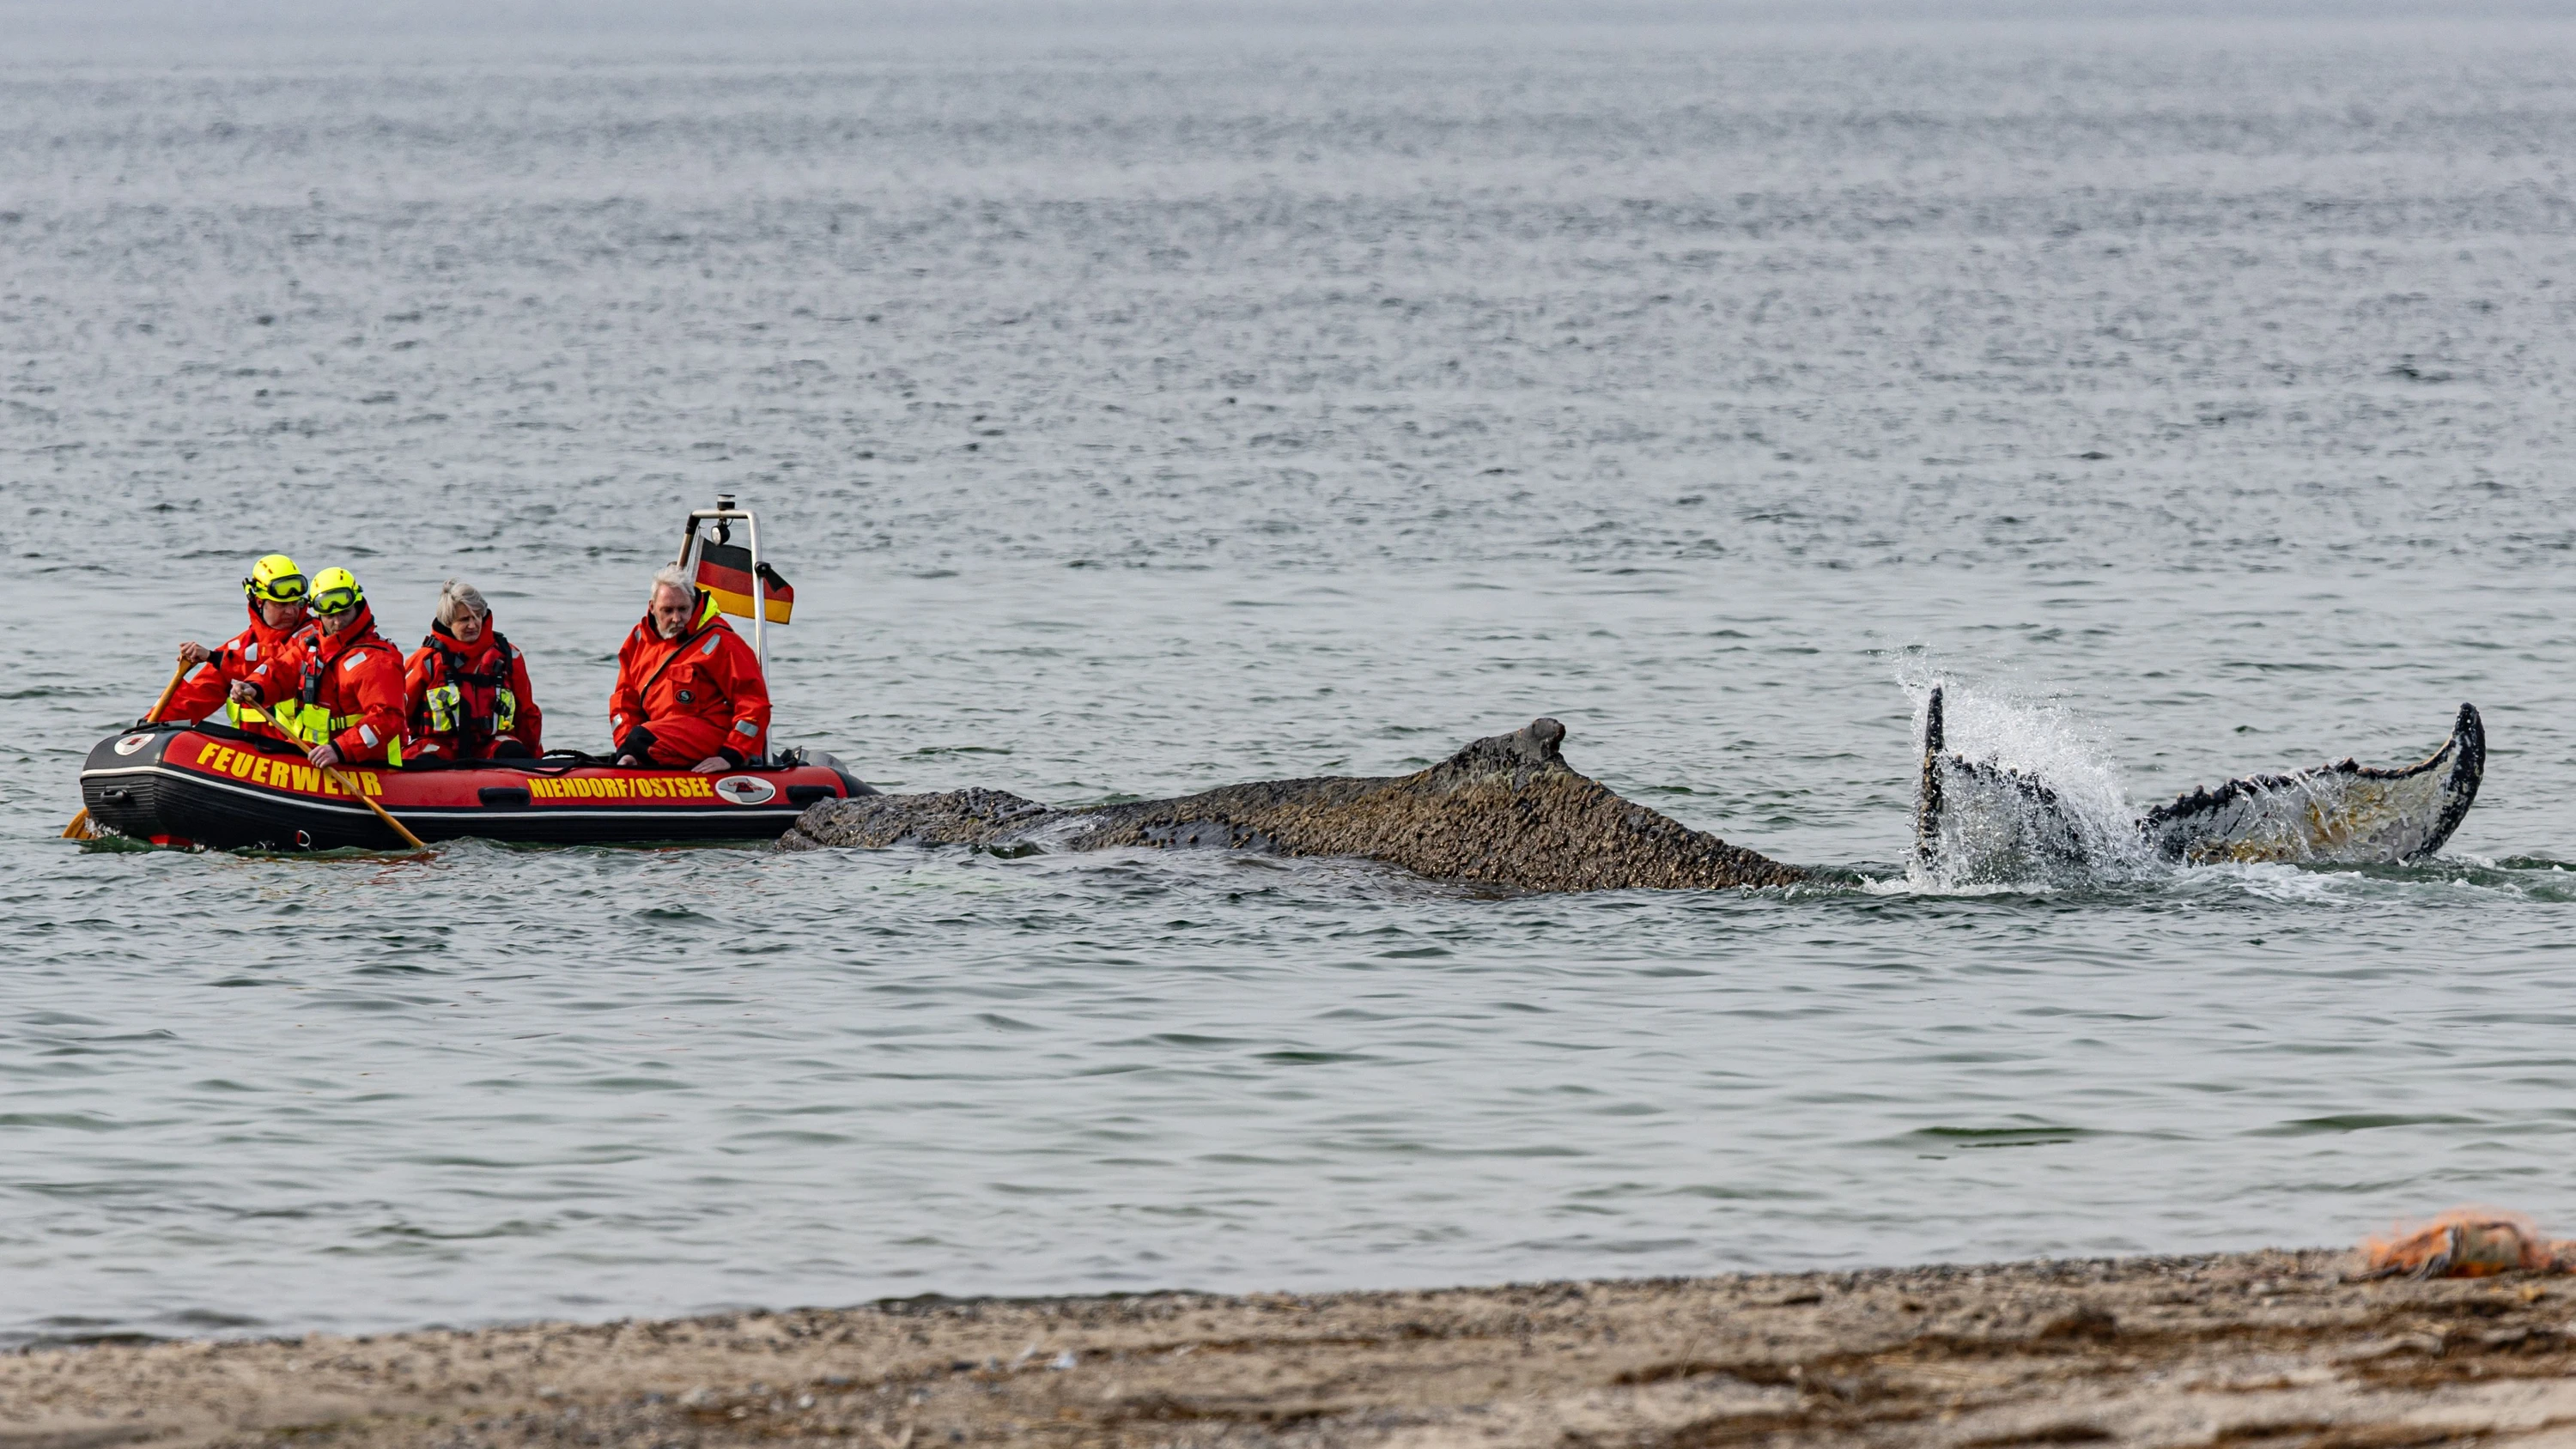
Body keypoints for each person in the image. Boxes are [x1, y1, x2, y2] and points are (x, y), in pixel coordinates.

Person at [229, 567, 410, 768]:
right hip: (315, 756)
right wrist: (254, 687)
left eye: (344, 612)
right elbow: (281, 669)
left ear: (357, 605)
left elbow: (387, 717)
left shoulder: (376, 660)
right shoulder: (314, 646)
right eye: (329, 615)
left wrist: (339, 749)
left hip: (364, 764)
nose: (338, 621)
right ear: (319, 614)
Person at [609, 562, 770, 771]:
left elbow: (754, 704)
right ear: (652, 608)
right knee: (636, 740)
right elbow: (624, 702)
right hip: (662, 737)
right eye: (667, 610)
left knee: (641, 739)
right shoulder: (639, 641)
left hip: (713, 735)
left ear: (693, 604)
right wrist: (626, 752)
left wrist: (731, 755)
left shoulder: (719, 641)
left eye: (683, 609)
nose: (677, 618)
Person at [164, 554, 309, 738]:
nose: (291, 611)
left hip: (301, 754)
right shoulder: (239, 647)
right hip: (247, 754)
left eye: (295, 603)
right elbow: (196, 696)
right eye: (280, 605)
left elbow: (280, 662)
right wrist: (151, 725)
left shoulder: (314, 637)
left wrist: (215, 657)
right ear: (259, 601)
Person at [405, 579, 543, 760]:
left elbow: (527, 713)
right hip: (441, 745)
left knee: (514, 752)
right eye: (464, 619)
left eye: (477, 616)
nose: (473, 624)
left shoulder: (508, 656)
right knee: (424, 761)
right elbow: (399, 714)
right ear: (448, 622)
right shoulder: (426, 661)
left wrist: (537, 763)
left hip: (491, 743)